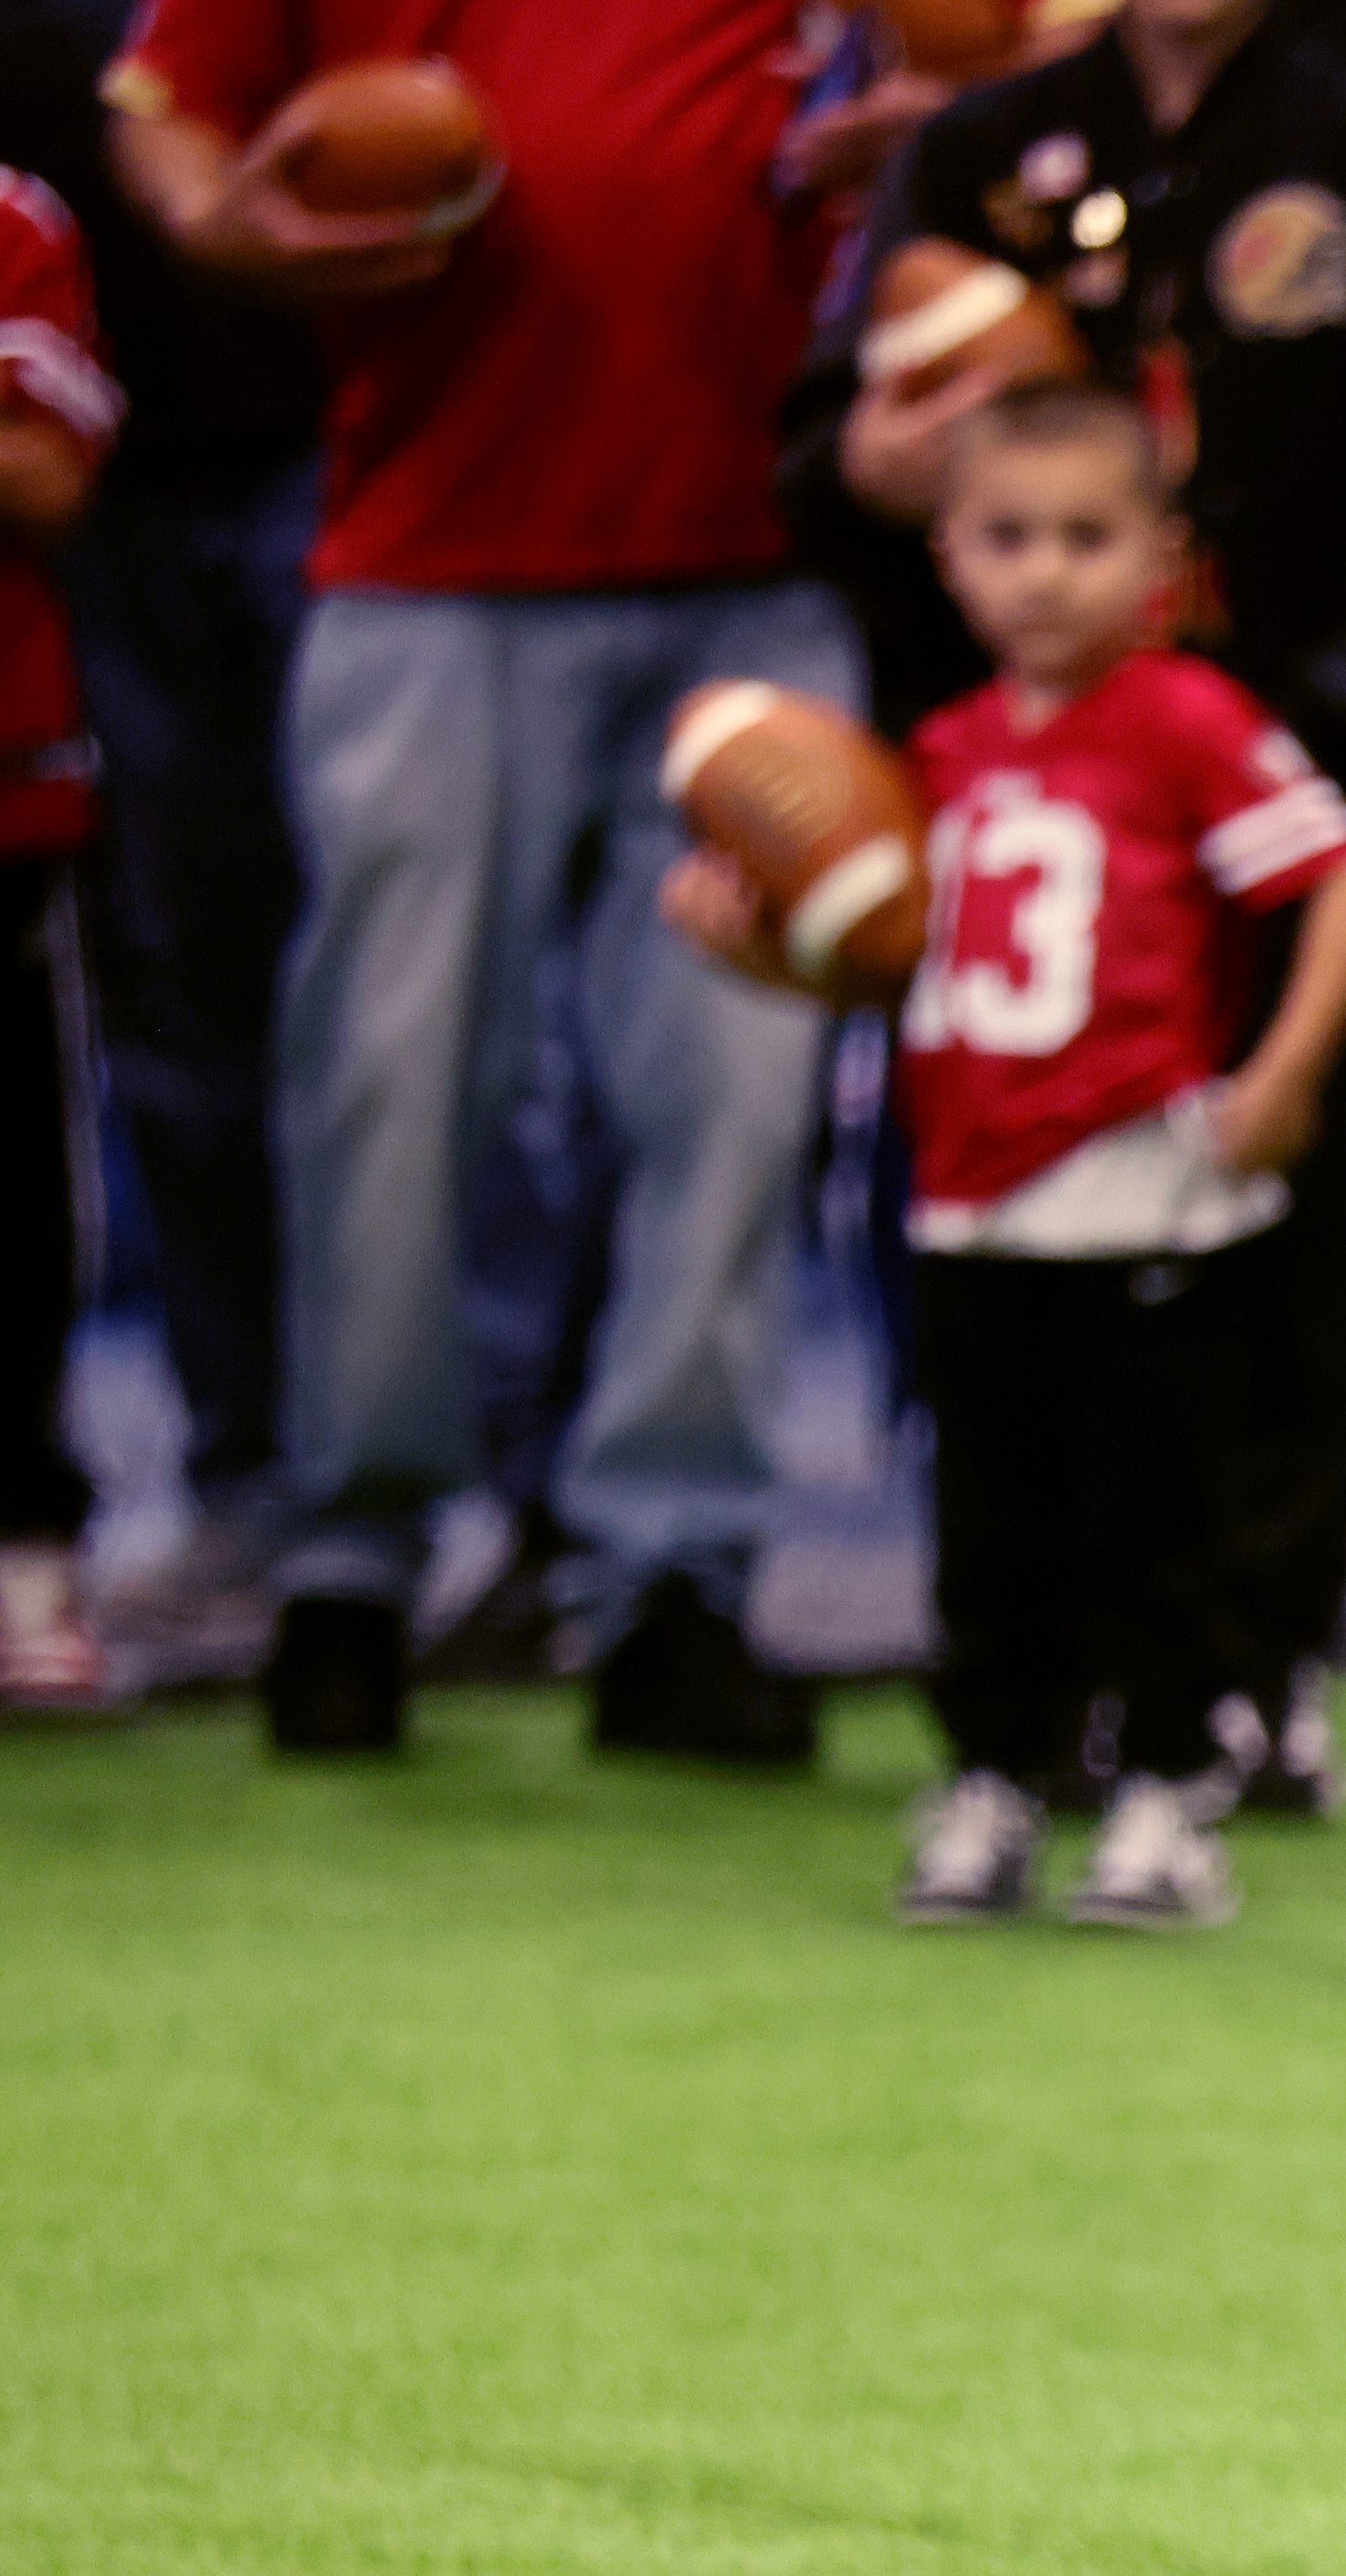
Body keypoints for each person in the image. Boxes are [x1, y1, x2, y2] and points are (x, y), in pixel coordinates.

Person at [792, 0, 1346, 1820]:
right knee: (1000, 1263)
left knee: (1277, 1229)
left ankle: (1258, 1657)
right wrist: (876, 470)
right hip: (1025, 794)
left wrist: (1317, 718)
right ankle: (1039, 1674)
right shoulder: (977, 151)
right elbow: (822, 455)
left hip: (1271, 778)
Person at [105, 0, 854, 1762]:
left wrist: (920, 119)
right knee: (387, 1077)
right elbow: (166, 99)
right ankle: (352, 1562)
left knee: (741, 1091)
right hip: (431, 554)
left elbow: (1021, 58)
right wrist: (228, 222)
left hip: (760, 562)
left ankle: (674, 1576)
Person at [673, 386, 1346, 1931]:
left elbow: (1343, 884)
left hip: (1141, 1179)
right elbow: (909, 975)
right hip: (970, 1199)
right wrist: (762, 948)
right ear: (947, 553)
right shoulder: (940, 749)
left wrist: (1280, 1071)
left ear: (1161, 555)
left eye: (1087, 537)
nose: (1045, 573)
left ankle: (1163, 1796)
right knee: (989, 1521)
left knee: (1157, 1514)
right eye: (1009, 538)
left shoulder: (1190, 719)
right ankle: (993, 1776)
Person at [0, 0, 314, 1678]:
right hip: (101, 540)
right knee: (171, 1012)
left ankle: (458, 1515)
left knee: (405, 1008)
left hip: (347, 460)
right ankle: (247, 1475)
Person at [0, 157, 108, 1707]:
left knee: (9, 1203)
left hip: (3, 794)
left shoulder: (14, 221)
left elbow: (47, 471)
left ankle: (21, 1556)